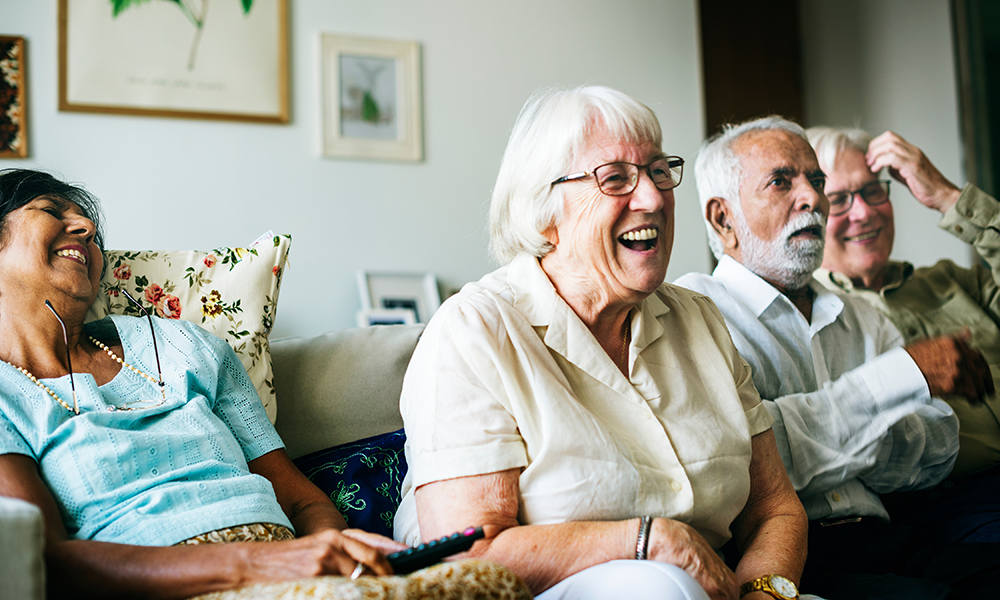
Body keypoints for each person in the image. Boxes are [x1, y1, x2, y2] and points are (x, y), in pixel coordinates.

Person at [0, 169, 529, 600]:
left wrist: (333, 554)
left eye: (88, 224)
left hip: (297, 578)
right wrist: (258, 565)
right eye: (53, 213)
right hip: (180, 587)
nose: (87, 231)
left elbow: (301, 500)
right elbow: (45, 559)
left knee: (488, 582)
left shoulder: (186, 346)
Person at [393, 85, 809, 600]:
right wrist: (650, 542)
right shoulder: (475, 331)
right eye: (615, 178)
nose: (654, 198)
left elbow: (776, 509)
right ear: (545, 210)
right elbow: (465, 556)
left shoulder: (700, 321)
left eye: (659, 171)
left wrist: (766, 591)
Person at [674, 116, 995, 599]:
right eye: (782, 181)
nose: (813, 199)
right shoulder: (696, 309)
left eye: (816, 181)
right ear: (723, 218)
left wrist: (817, 433)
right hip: (791, 555)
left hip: (891, 536)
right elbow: (747, 461)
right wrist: (898, 381)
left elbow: (937, 446)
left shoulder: (862, 316)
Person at [809, 126, 1000, 480]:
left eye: (872, 190)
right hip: (951, 507)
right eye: (838, 200)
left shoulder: (953, 281)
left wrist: (948, 197)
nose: (864, 213)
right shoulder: (812, 318)